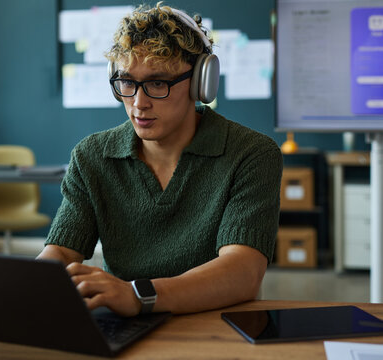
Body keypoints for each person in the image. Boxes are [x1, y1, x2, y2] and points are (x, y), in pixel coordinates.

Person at [37, 2, 282, 316]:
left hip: (214, 323)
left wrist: (139, 296)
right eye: (127, 82)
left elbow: (242, 271)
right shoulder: (91, 156)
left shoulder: (251, 154)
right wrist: (27, 287)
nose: (139, 103)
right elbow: (59, 251)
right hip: (125, 323)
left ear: (200, 83)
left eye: (157, 83)